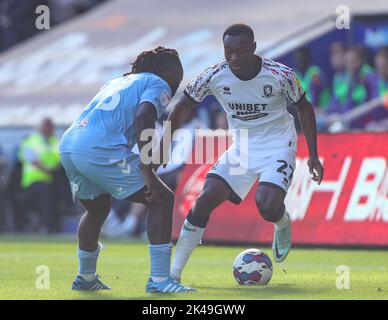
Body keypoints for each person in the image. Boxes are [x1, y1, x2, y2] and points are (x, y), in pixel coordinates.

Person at [164, 24, 324, 286]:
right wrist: (163, 144)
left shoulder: (280, 74)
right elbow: (183, 104)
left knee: (267, 205)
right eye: (229, 51)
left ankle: (281, 222)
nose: (234, 58)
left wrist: (314, 155)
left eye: (241, 51)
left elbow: (304, 108)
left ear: (253, 47)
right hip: (241, 148)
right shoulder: (214, 74)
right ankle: (173, 274)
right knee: (205, 200)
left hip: (278, 145)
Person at [59, 46, 194, 292]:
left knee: (98, 208)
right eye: (177, 75)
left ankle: (86, 277)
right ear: (165, 71)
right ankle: (160, 280)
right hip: (97, 148)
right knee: (161, 198)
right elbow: (144, 117)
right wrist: (147, 170)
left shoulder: (118, 81)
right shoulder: (158, 83)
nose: (177, 82)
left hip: (70, 145)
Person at [18, 118, 60, 233]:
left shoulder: (55, 141)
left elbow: (60, 158)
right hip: (33, 179)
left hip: (51, 178)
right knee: (44, 197)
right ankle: (44, 226)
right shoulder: (30, 140)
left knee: (55, 196)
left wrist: (53, 168)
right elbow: (31, 159)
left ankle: (50, 225)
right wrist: (47, 169)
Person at [328, 46, 375, 114]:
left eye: (353, 61)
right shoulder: (342, 77)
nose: (349, 64)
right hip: (342, 114)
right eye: (347, 61)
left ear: (361, 61)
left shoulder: (369, 76)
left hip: (362, 116)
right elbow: (336, 101)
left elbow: (364, 101)